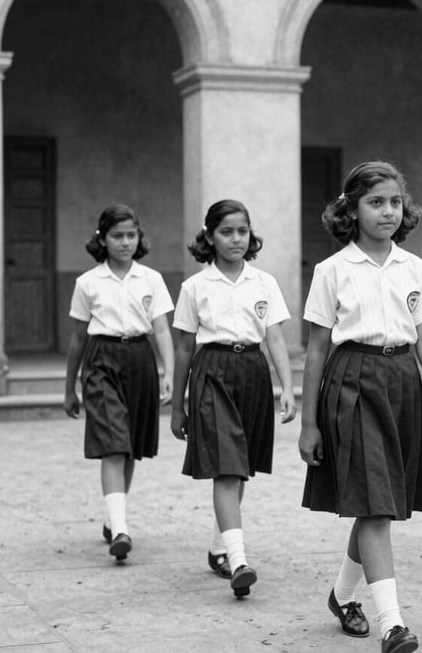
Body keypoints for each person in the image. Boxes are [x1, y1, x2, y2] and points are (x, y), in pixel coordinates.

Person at [299, 161, 422, 653]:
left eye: (394, 202)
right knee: (373, 503)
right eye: (375, 202)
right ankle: (392, 624)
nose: (388, 211)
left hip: (402, 382)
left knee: (379, 502)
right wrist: (308, 424)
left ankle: (343, 596)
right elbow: (317, 350)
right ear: (351, 209)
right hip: (351, 383)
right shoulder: (332, 270)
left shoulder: (416, 269)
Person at [170, 199, 296, 599]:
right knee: (226, 466)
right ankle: (239, 560)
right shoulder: (195, 287)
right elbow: (184, 349)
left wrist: (287, 388)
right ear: (209, 236)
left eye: (242, 230)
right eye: (226, 231)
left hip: (253, 373)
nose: (236, 239)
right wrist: (177, 403)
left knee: (238, 466)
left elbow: (275, 337)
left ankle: (219, 546)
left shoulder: (265, 283)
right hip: (212, 371)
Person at [64, 204, 175, 562]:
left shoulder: (151, 279)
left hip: (139, 360)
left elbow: (161, 329)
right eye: (117, 236)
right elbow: (78, 338)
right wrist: (70, 387)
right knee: (113, 443)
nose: (125, 242)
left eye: (131, 235)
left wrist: (169, 372)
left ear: (139, 237)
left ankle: (114, 518)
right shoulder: (88, 283)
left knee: (128, 447)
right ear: (103, 239)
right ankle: (122, 530)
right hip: (101, 360)